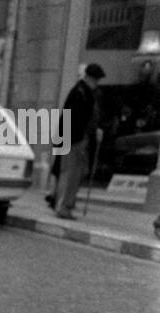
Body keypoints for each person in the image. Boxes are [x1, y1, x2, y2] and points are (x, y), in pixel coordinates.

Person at [55, 63, 105, 220]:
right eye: (96, 80)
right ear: (91, 78)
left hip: (74, 139)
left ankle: (66, 204)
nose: (97, 83)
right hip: (73, 140)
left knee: (76, 173)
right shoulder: (80, 93)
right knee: (70, 174)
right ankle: (63, 206)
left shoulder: (83, 92)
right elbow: (73, 118)